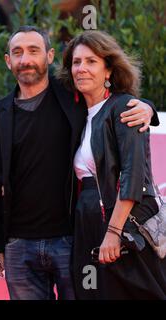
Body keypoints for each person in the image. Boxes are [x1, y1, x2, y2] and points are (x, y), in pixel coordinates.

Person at [0, 26, 158, 300]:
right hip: (18, 245)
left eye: (33, 51)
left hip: (69, 239)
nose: (25, 59)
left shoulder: (70, 99)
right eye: (17, 53)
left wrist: (146, 107)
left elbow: (112, 100)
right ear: (8, 61)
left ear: (49, 56)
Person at [57, 30, 166, 299]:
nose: (81, 68)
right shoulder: (79, 113)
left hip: (121, 225)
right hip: (87, 223)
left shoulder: (125, 108)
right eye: (76, 62)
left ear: (108, 70)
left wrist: (113, 233)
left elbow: (134, 176)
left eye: (91, 61)